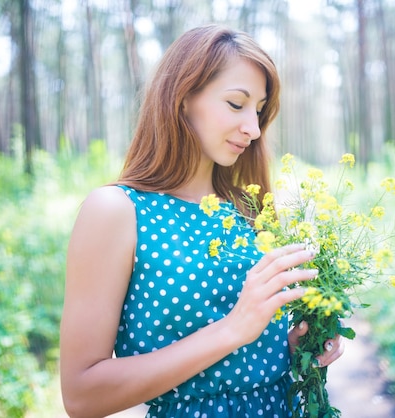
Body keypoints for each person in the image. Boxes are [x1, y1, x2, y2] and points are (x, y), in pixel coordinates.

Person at [60, 24, 344, 418]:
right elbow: (81, 395)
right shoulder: (117, 210)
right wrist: (232, 330)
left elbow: (249, 347)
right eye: (236, 104)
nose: (253, 128)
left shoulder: (249, 210)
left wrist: (293, 346)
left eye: (259, 110)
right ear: (182, 98)